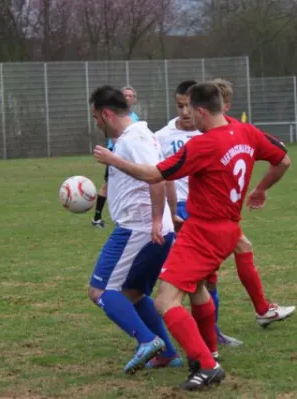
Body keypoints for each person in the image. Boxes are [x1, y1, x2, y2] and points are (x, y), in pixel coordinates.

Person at [93, 82, 291, 390]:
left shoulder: (203, 145)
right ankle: (209, 349)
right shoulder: (246, 132)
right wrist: (261, 188)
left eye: (189, 110)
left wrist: (112, 160)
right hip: (228, 229)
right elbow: (283, 160)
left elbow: (153, 174)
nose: (187, 117)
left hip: (203, 232)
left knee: (165, 301)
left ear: (200, 111)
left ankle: (207, 365)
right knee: (197, 287)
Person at [87, 85, 181, 374]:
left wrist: (156, 220)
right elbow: (165, 176)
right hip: (151, 227)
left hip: (137, 229)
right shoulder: (139, 135)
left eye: (95, 117)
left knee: (100, 290)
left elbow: (157, 178)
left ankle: (146, 341)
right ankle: (167, 353)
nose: (96, 123)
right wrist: (170, 216)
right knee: (134, 292)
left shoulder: (134, 138)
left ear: (106, 113)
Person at [153, 80, 243, 353]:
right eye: (179, 106)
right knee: (186, 280)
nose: (184, 112)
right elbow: (159, 174)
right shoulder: (162, 136)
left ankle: (210, 336)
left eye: (188, 106)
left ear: (200, 108)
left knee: (204, 278)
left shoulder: (214, 133)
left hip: (206, 211)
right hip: (178, 209)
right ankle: (203, 343)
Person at [210, 78, 296, 328]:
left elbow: (282, 156)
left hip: (218, 213)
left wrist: (259, 189)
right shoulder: (235, 132)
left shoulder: (237, 131)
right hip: (203, 213)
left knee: (239, 249)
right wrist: (260, 189)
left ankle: (259, 311)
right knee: (194, 278)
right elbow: (283, 157)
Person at [91, 86, 140, 228]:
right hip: (114, 154)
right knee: (108, 185)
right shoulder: (115, 117)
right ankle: (97, 217)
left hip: (126, 156)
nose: (128, 98)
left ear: (134, 100)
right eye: (126, 95)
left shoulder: (135, 121)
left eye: (131, 96)